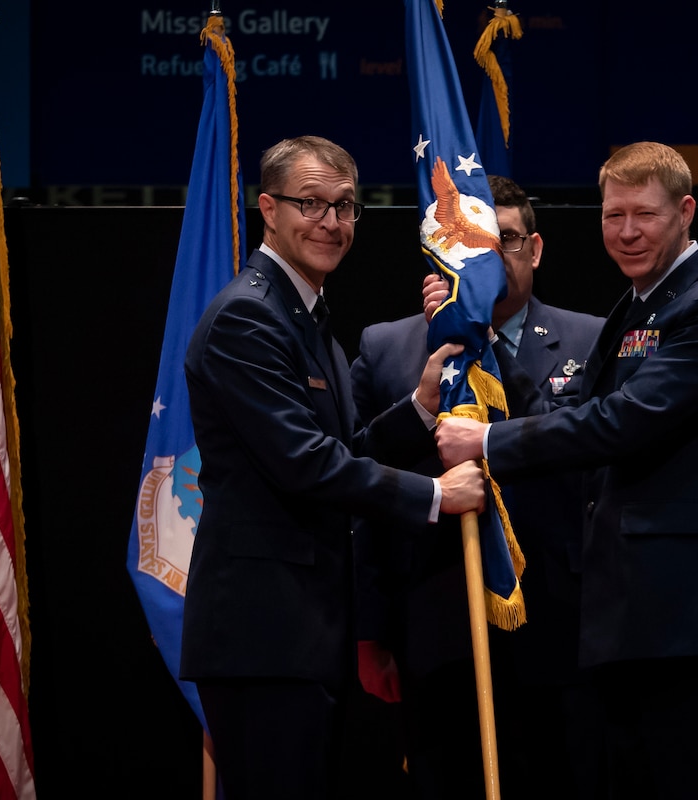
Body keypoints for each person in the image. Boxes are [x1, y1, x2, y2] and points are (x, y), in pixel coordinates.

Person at [435, 142, 698, 799]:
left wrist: (487, 441)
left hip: (695, 623)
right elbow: (576, 408)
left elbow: (623, 422)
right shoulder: (637, 306)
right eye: (612, 214)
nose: (625, 232)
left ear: (685, 212)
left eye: (644, 215)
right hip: (634, 625)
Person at [179, 135, 486, 800]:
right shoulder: (249, 319)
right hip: (264, 636)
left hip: (304, 632)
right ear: (268, 207)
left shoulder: (304, 313)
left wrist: (419, 407)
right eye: (310, 204)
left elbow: (341, 449)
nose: (331, 224)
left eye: (345, 208)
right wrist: (436, 494)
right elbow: (307, 465)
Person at [351, 174, 606, 799]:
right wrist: (371, 628)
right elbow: (358, 483)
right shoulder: (386, 348)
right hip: (435, 623)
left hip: (559, 625)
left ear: (536, 249)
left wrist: (487, 345)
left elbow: (589, 464)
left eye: (507, 243)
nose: (491, 261)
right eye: (473, 249)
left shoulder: (592, 339)